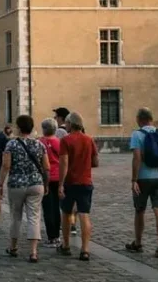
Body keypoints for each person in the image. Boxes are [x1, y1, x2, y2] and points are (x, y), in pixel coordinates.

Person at [0, 114, 48, 263]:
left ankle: (13, 247)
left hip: (16, 184)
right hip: (36, 184)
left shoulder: (11, 145)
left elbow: (6, 165)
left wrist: (0, 183)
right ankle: (33, 252)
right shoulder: (40, 145)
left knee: (16, 215)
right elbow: (47, 167)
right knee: (34, 216)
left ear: (19, 128)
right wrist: (45, 184)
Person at [127, 107, 158, 259]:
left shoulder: (137, 134)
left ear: (139, 120)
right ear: (151, 119)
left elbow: (137, 158)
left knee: (140, 210)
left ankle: (138, 243)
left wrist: (134, 179)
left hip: (142, 178)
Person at [58, 112, 99, 261]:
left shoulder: (66, 140)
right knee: (84, 214)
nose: (65, 126)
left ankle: (66, 245)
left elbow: (64, 163)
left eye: (66, 123)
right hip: (86, 182)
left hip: (70, 182)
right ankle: (85, 249)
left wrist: (61, 184)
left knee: (66, 213)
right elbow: (96, 162)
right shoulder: (89, 140)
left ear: (70, 123)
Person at [39, 118, 63, 248]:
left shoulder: (40, 142)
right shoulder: (58, 143)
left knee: (48, 208)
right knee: (56, 207)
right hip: (58, 177)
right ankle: (57, 235)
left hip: (45, 177)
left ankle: (51, 236)